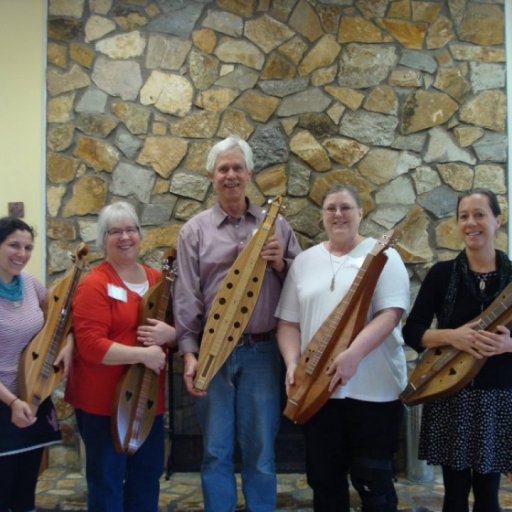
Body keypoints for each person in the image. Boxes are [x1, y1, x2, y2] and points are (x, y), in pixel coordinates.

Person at [173, 135, 301, 512]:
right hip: (213, 353)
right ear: (212, 176)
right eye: (223, 168)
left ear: (249, 174)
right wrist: (189, 353)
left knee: (261, 450)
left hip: (262, 350)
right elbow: (186, 295)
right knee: (215, 450)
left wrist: (281, 264)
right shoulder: (194, 231)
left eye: (237, 168)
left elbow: (303, 286)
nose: (230, 175)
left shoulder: (277, 226)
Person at [275, 184, 410, 512]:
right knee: (325, 484)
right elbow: (288, 324)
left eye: (346, 207)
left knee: (374, 487)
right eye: (331, 208)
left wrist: (353, 356)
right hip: (318, 395)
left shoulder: (384, 257)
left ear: (361, 213)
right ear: (322, 216)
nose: (338, 214)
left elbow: (390, 313)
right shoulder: (305, 262)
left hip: (374, 393)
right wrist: (293, 364)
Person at [402, 188, 512, 512]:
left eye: (479, 214)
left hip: (499, 396)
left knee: (489, 496)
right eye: (464, 216)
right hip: (450, 392)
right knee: (453, 495)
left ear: (498, 220)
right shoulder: (442, 275)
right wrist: (453, 337)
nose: (471, 222)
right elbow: (412, 332)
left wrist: (508, 345)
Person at [65, 201, 176, 512]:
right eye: (115, 232)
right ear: (104, 240)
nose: (125, 237)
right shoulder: (94, 284)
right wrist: (142, 355)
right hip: (103, 405)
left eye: (131, 229)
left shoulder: (158, 279)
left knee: (146, 478)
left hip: (147, 401)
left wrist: (173, 335)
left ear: (140, 235)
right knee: (107, 483)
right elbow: (90, 345)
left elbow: (178, 328)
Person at [0, 217, 72, 512]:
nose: (22, 253)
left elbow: (61, 321)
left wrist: (69, 345)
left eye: (28, 247)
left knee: (26, 487)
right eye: (14, 245)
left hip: (33, 395)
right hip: (5, 401)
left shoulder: (32, 285)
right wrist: (13, 402)